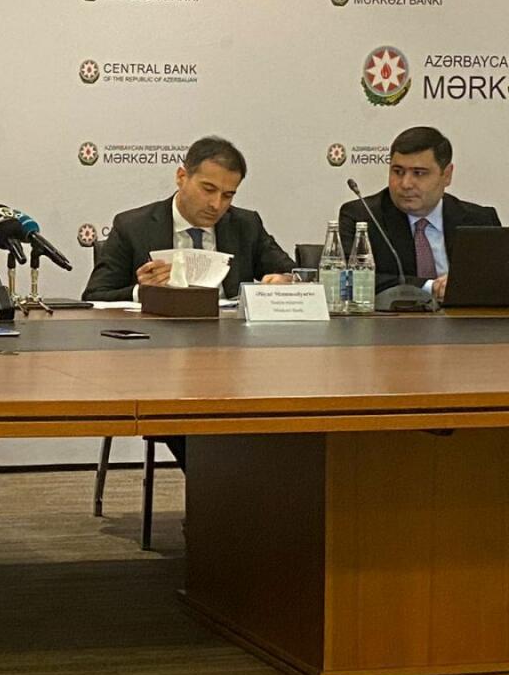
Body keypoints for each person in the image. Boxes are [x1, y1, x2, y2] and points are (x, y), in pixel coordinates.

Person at [83, 135, 295, 469]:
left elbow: (290, 272)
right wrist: (144, 290)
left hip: (234, 359)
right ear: (182, 176)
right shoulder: (133, 226)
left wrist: (283, 280)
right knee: (187, 409)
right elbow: (94, 297)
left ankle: (244, 484)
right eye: (208, 189)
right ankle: (217, 485)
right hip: (161, 360)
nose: (217, 205)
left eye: (228, 195)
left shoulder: (246, 225)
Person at [338, 126, 499, 302]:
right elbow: (350, 279)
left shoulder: (479, 219)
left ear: (446, 175)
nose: (405, 184)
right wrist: (431, 287)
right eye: (398, 172)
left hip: (467, 318)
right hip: (397, 318)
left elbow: (499, 280)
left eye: (419, 173)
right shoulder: (363, 216)